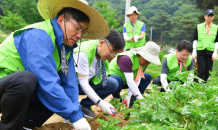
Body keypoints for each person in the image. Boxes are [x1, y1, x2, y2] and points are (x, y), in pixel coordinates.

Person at [0, 0, 109, 130]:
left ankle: (26, 124)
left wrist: (77, 114)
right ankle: (8, 127)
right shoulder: (38, 35)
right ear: (61, 20)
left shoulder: (64, 48)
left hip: (15, 95)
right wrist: (75, 116)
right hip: (6, 88)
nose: (79, 35)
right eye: (77, 28)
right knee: (27, 80)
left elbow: (69, 83)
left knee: (58, 90)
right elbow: (46, 80)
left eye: (83, 31)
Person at [66, 29, 125, 119]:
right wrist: (100, 103)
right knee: (74, 116)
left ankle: (84, 106)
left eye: (115, 53)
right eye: (112, 51)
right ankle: (72, 112)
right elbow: (83, 83)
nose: (112, 56)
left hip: (81, 84)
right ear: (101, 43)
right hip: (68, 86)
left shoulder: (100, 54)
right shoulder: (83, 53)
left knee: (112, 83)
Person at [108, 41, 161, 108]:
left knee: (147, 77)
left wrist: (129, 95)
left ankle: (132, 100)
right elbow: (130, 81)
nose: (148, 63)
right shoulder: (126, 58)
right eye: (148, 60)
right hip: (115, 80)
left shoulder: (144, 63)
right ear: (142, 55)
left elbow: (137, 78)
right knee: (117, 80)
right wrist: (141, 98)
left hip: (128, 82)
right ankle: (117, 99)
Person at [192, 9, 218, 81]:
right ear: (204, 16)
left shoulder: (216, 28)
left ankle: (205, 87)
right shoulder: (198, 26)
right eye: (208, 16)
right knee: (201, 69)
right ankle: (198, 84)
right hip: (200, 50)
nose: (209, 17)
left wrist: (215, 52)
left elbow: (216, 41)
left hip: (210, 51)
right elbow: (195, 39)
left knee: (208, 71)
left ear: (213, 17)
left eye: (211, 16)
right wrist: (194, 51)